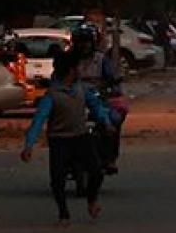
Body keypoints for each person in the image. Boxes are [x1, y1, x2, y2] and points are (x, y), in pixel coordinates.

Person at [21, 51, 116, 224]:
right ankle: (63, 213)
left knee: (97, 172)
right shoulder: (51, 96)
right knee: (57, 180)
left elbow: (96, 106)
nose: (81, 69)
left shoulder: (81, 89)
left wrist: (107, 121)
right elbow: (39, 120)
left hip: (81, 137)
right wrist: (29, 145)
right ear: (72, 70)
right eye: (78, 67)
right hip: (59, 141)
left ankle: (92, 199)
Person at [71, 24, 123, 175]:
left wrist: (114, 89)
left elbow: (113, 79)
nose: (84, 45)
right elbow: (57, 78)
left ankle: (110, 158)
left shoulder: (101, 59)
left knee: (114, 119)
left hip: (98, 99)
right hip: (73, 101)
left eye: (87, 41)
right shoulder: (69, 60)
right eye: (81, 41)